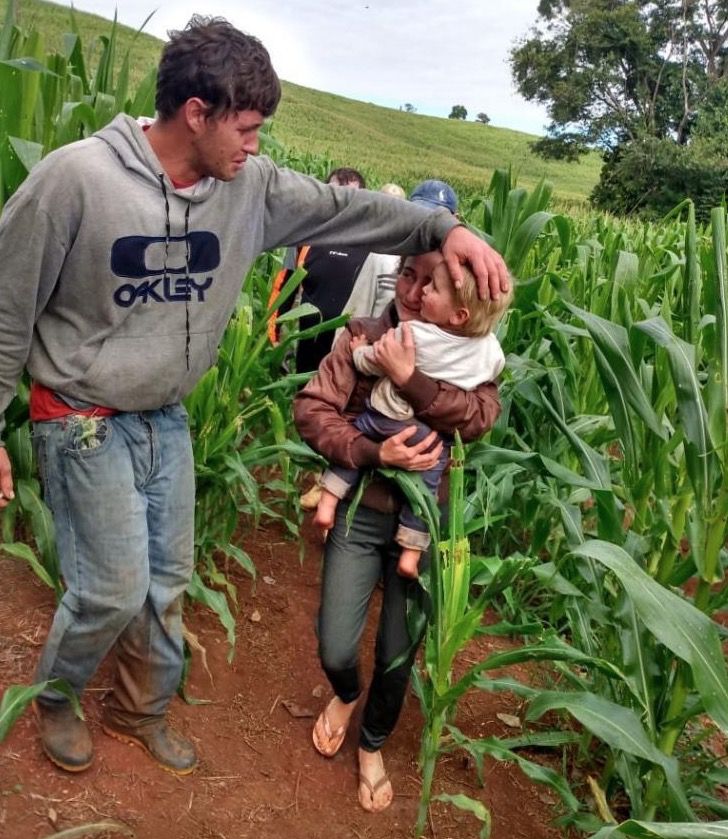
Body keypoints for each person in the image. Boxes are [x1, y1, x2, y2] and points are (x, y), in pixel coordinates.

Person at [0, 16, 508, 776]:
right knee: (110, 588)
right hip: (81, 417)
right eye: (246, 128)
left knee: (168, 580)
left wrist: (444, 226)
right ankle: (58, 697)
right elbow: (7, 306)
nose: (255, 145)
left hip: (164, 417)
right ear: (195, 113)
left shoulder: (250, 190)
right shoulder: (77, 180)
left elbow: (353, 211)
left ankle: (138, 708)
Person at [293, 251, 504, 812]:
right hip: (362, 511)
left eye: (428, 280)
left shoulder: (470, 355)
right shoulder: (364, 336)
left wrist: (410, 380)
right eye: (407, 274)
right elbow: (314, 410)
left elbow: (480, 417)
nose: (413, 291)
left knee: (396, 652)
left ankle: (372, 743)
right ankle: (344, 693)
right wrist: (371, 451)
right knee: (337, 644)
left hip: (426, 521)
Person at [315, 260, 511, 578]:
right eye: (408, 275)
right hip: (431, 442)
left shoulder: (411, 334)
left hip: (387, 418)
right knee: (429, 481)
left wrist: (369, 357)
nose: (420, 292)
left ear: (458, 313)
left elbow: (371, 362)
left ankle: (327, 500)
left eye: (432, 285)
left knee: (354, 433)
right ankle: (412, 547)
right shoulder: (488, 350)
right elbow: (487, 389)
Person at [268, 167, 369, 374]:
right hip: (308, 347)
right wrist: (275, 340)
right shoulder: (305, 236)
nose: (340, 203)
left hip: (349, 353)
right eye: (333, 194)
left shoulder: (372, 242)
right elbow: (283, 289)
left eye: (348, 196)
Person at [339, 179, 460, 323]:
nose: (428, 226)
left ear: (455, 219)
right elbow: (357, 307)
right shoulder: (383, 256)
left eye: (437, 219)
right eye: (421, 215)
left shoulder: (456, 272)